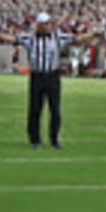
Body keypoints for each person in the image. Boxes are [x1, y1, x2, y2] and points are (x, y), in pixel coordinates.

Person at [23, 14, 67, 148]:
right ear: (39, 25)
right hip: (37, 76)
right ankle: (35, 139)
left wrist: (93, 34)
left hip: (53, 75)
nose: (48, 26)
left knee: (55, 109)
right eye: (45, 24)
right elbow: (13, 39)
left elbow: (75, 39)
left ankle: (55, 138)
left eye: (49, 23)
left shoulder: (57, 37)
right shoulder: (30, 39)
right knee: (35, 109)